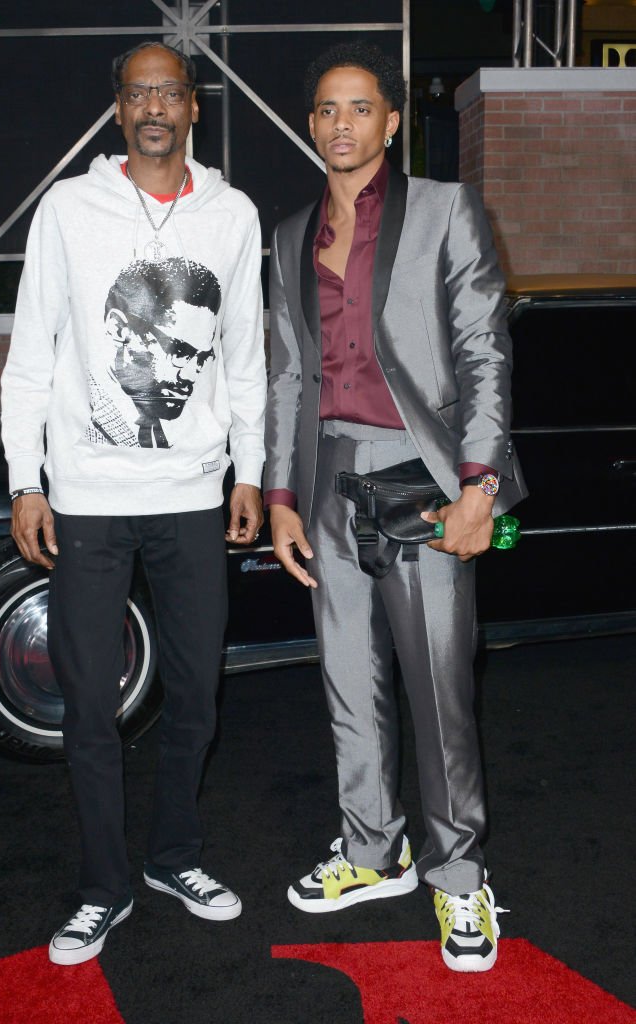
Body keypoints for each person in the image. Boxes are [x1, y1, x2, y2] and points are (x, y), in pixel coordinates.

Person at [1, 40, 266, 966]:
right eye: (138, 92)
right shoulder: (70, 210)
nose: (155, 106)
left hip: (194, 494)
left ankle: (174, 857)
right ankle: (104, 887)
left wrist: (250, 471)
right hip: (86, 496)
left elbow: (244, 360)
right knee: (88, 704)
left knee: (197, 688)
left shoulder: (232, 214)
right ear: (119, 108)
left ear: (193, 107)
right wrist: (25, 481)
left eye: (171, 92)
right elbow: (32, 351)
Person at [264, 42, 527, 973]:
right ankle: (373, 849)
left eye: (358, 108)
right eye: (326, 110)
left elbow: (485, 353)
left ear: (389, 121)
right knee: (349, 684)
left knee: (439, 693)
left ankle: (460, 881)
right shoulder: (291, 234)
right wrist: (283, 495)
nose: (341, 124)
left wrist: (480, 485)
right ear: (312, 126)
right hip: (330, 475)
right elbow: (289, 374)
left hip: (425, 479)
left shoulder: (446, 211)